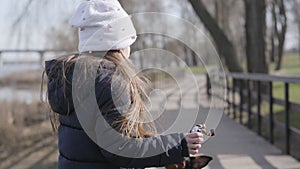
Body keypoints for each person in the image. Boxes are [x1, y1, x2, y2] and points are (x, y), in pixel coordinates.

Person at [44, 0, 204, 169]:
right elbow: (120, 150)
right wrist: (178, 145)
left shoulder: (73, 79)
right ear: (120, 45)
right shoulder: (112, 84)